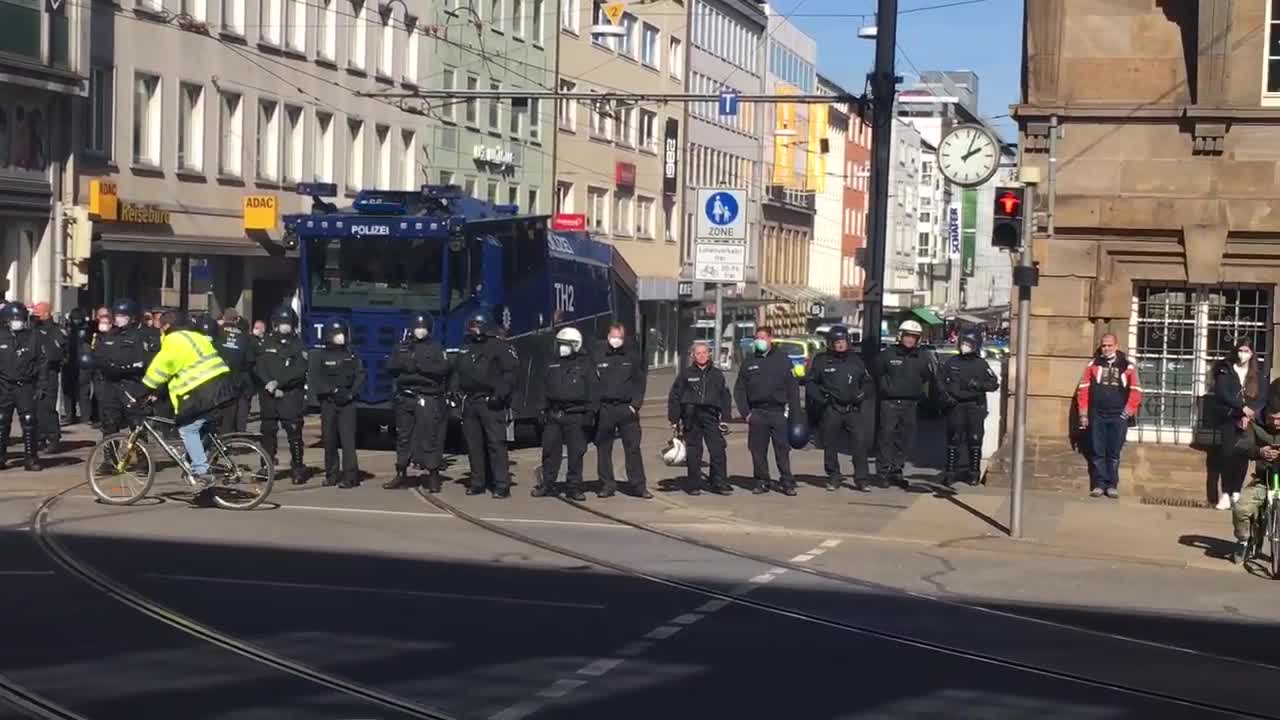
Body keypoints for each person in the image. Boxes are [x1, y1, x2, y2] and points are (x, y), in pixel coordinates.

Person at [140, 311, 236, 492]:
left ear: (166, 326)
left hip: (204, 390)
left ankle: (202, 471)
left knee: (187, 429)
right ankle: (201, 460)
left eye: (161, 327)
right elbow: (178, 369)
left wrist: (143, 392)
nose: (160, 331)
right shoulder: (194, 336)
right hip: (221, 386)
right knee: (202, 427)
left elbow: (160, 369)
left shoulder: (173, 340)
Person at [454, 313, 519, 498]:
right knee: (473, 444)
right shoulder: (466, 347)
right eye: (471, 325)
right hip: (470, 401)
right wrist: (455, 392)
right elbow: (457, 371)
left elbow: (510, 374)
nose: (473, 328)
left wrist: (500, 396)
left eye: (476, 325)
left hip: (490, 401)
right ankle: (477, 482)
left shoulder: (499, 346)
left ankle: (501, 484)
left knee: (496, 444)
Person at [734, 326, 803, 496]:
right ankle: (761, 481)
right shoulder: (749, 361)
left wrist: (795, 415)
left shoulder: (783, 360)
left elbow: (793, 389)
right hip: (757, 413)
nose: (760, 341)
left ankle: (787, 481)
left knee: (782, 450)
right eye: (757, 338)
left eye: (763, 338)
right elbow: (739, 390)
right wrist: (746, 413)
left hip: (778, 412)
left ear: (770, 339)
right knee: (757, 450)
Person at [384, 313, 449, 491]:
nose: (420, 331)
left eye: (423, 327)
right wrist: (403, 364)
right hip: (405, 397)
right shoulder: (403, 347)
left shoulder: (436, 348)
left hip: (426, 396)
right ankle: (401, 473)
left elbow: (443, 369)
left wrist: (420, 366)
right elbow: (390, 367)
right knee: (403, 437)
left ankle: (433, 475)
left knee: (430, 437)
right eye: (417, 327)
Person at [533, 327, 597, 500]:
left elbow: (593, 390)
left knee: (576, 453)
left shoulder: (585, 364)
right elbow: (543, 387)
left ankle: (574, 487)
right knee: (549, 451)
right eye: (559, 344)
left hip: (576, 414)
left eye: (565, 344)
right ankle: (547, 484)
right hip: (554, 413)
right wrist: (541, 408)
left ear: (575, 345)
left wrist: (591, 412)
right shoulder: (552, 363)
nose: (561, 348)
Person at [807, 325, 873, 492]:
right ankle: (833, 476)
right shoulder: (821, 360)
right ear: (831, 343)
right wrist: (822, 399)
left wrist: (862, 395)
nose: (840, 345)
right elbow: (811, 383)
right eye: (836, 342)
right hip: (832, 408)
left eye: (843, 341)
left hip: (853, 409)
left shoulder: (856, 360)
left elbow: (868, 382)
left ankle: (862, 479)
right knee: (830, 445)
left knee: (859, 443)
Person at [1076, 333, 1142, 499]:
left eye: (1109, 345)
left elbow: (1136, 391)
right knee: (1098, 452)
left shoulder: (1128, 366)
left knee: (1113, 454)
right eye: (1103, 346)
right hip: (1097, 414)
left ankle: (1112, 485)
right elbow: (1083, 390)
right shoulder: (1093, 364)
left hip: (1118, 416)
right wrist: (1083, 414)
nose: (1106, 348)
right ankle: (1099, 485)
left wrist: (1127, 412)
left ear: (1116, 346)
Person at [873, 319, 934, 489]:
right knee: (886, 437)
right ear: (900, 336)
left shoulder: (922, 357)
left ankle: (897, 470)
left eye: (913, 337)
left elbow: (929, 377)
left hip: (910, 404)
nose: (910, 340)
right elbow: (876, 373)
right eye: (907, 336)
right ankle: (883, 472)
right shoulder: (888, 354)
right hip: (890, 403)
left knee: (905, 439)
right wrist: (886, 390)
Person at [593, 323, 651, 499]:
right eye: (613, 336)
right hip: (605, 409)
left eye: (619, 336)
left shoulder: (632, 356)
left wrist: (635, 405)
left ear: (623, 338)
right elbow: (592, 382)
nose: (615, 339)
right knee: (603, 449)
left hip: (627, 409)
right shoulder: (598, 355)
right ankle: (607, 485)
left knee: (633, 448)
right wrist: (596, 407)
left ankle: (639, 486)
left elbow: (640, 382)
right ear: (608, 336)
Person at [253, 305, 309, 483]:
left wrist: (280, 383)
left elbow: (299, 369)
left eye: (288, 323)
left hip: (290, 394)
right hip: (268, 393)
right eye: (281, 322)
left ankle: (298, 468)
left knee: (294, 431)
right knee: (268, 431)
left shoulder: (298, 344)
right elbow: (259, 365)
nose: (284, 326)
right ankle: (266, 466)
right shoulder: (266, 342)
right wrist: (268, 382)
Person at [938, 327, 1001, 487]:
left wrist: (979, 385)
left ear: (975, 345)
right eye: (963, 342)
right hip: (955, 406)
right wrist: (945, 396)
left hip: (974, 406)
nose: (964, 346)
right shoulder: (952, 362)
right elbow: (940, 382)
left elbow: (993, 383)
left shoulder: (981, 364)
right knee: (953, 439)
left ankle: (973, 473)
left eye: (968, 343)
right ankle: (950, 472)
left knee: (974, 440)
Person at [668, 340, 732, 496]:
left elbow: (725, 397)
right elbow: (674, 397)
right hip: (691, 416)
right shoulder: (686, 374)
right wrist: (674, 419)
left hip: (711, 416)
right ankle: (694, 484)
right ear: (692, 356)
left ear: (709, 354)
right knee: (694, 452)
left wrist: (725, 418)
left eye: (704, 352)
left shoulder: (717, 374)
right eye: (698, 353)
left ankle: (719, 482)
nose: (702, 356)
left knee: (717, 450)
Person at [308, 319, 365, 489]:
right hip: (329, 402)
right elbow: (315, 378)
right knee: (329, 439)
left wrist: (350, 394)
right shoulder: (320, 355)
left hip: (347, 403)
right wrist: (331, 391)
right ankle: (332, 474)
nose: (341, 337)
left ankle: (350, 476)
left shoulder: (351, 354)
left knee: (348, 441)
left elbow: (360, 375)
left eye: (343, 333)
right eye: (337, 334)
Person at [92, 299, 158, 443]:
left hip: (132, 384)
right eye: (117, 315)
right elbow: (99, 355)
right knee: (109, 422)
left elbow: (146, 361)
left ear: (132, 317)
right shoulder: (111, 335)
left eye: (123, 315)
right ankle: (110, 458)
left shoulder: (142, 336)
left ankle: (141, 457)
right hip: (110, 384)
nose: (118, 318)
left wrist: (129, 368)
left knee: (136, 421)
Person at [1214, 341, 1264, 510]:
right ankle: (1226, 493)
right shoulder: (1226, 370)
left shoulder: (1257, 374)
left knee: (1242, 456)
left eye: (1247, 351)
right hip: (1230, 417)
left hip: (1248, 421)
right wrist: (1241, 409)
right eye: (1241, 350)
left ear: (1252, 354)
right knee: (1228, 455)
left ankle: (1236, 491)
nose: (1243, 354)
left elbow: (1261, 397)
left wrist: (1250, 414)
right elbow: (1222, 393)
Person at [1230, 394, 1280, 564]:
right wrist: (1259, 452)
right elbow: (1241, 447)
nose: (1275, 423)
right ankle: (1244, 540)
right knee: (1241, 509)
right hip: (1263, 479)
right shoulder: (1255, 424)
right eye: (1272, 418)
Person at [0, 303, 47, 470]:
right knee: (2, 420)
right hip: (4, 386)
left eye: (19, 319)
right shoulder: (2, 336)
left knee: (29, 421)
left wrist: (42, 384)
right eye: (13, 319)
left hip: (25, 386)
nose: (16, 322)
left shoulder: (33, 336)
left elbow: (42, 362)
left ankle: (31, 458)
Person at [31, 302, 66, 454]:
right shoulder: (33, 329)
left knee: (47, 408)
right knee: (34, 408)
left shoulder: (56, 331)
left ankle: (53, 438)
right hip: (33, 373)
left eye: (38, 314)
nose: (35, 317)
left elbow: (57, 353)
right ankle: (38, 438)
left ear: (46, 314)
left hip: (49, 374)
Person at [214, 308, 253, 435]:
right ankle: (231, 439)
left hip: (218, 377)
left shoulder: (217, 333)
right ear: (237, 320)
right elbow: (250, 359)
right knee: (232, 412)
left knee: (218, 413)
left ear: (224, 318)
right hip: (236, 379)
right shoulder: (244, 337)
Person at [62, 308, 89, 424]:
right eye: (74, 319)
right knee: (68, 390)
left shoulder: (87, 329)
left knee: (83, 391)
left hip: (82, 363)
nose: (76, 321)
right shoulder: (66, 329)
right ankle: (69, 415)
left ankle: (86, 416)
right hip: (68, 363)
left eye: (78, 319)